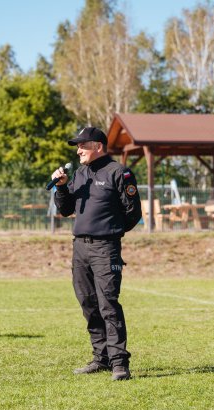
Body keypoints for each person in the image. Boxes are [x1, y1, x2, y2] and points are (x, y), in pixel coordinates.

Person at [51, 126, 141, 381]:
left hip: (105, 249)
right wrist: (62, 187)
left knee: (108, 305)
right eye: (77, 146)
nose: (78, 150)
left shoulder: (118, 172)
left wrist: (111, 233)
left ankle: (119, 363)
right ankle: (99, 358)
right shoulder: (79, 174)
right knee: (88, 304)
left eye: (82, 145)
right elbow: (66, 210)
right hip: (80, 248)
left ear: (98, 146)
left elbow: (133, 213)